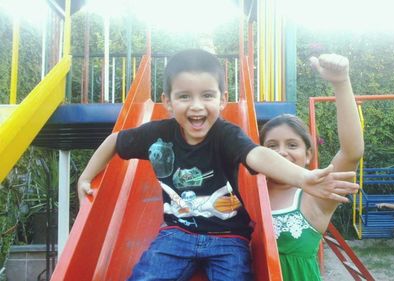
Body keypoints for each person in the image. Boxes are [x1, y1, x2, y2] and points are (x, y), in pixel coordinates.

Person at [77, 49, 359, 281]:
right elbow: (115, 140)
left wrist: (302, 178)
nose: (196, 106)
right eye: (184, 96)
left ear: (223, 99)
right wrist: (86, 177)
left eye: (207, 96)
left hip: (228, 238)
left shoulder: (226, 134)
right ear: (167, 102)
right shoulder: (157, 134)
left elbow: (257, 155)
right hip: (177, 234)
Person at [260, 53, 364, 281]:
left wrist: (341, 83)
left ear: (308, 155)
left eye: (292, 145)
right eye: (271, 145)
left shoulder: (315, 194)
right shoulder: (249, 192)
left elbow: (351, 152)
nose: (281, 152)